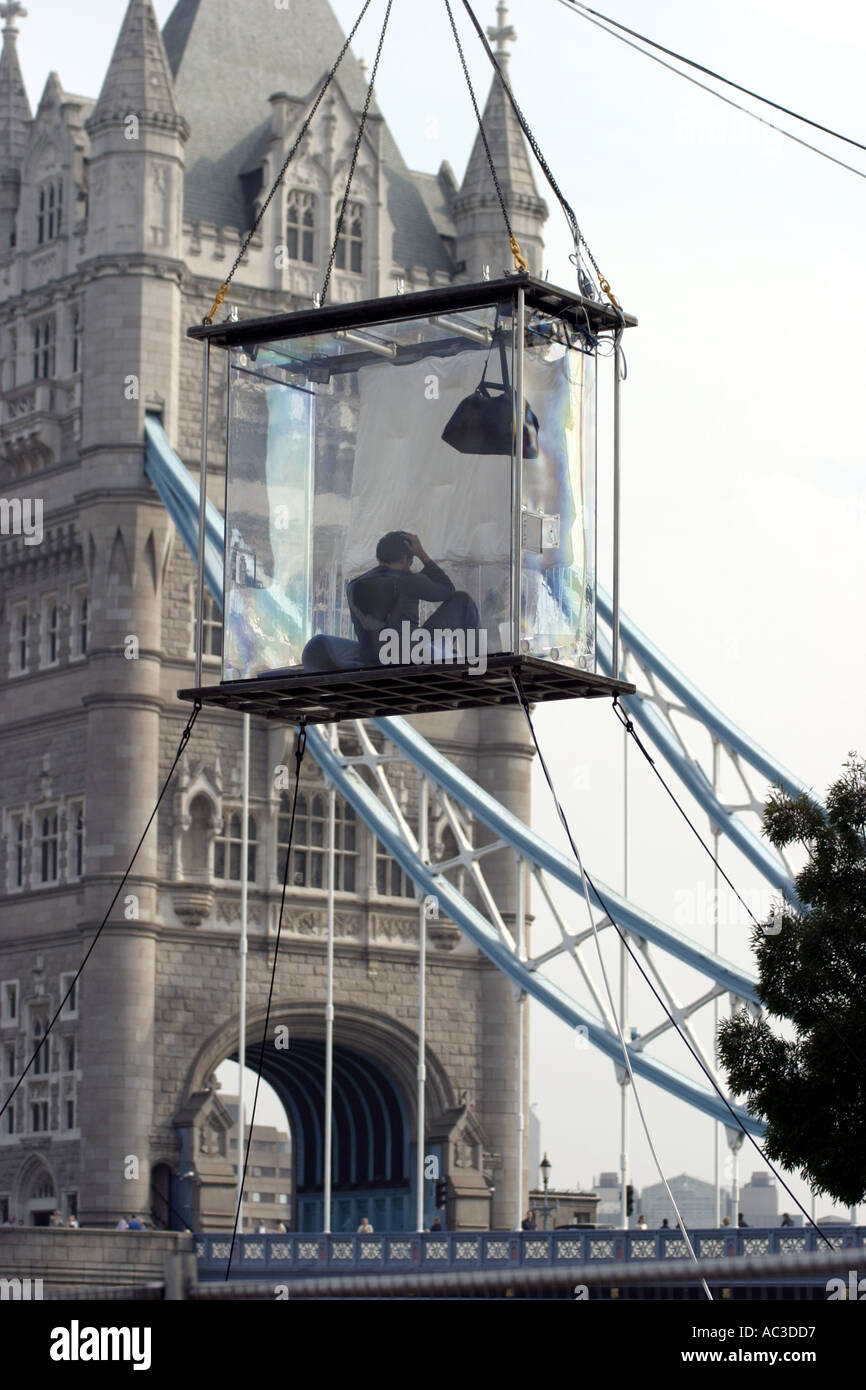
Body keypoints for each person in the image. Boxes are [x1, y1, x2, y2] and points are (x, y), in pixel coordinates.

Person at [347, 532, 480, 668]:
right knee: (463, 601)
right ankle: (477, 667)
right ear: (405, 559)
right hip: (409, 658)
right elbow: (448, 589)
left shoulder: (353, 585)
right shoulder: (408, 580)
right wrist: (422, 555)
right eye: (410, 563)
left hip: (373, 661)